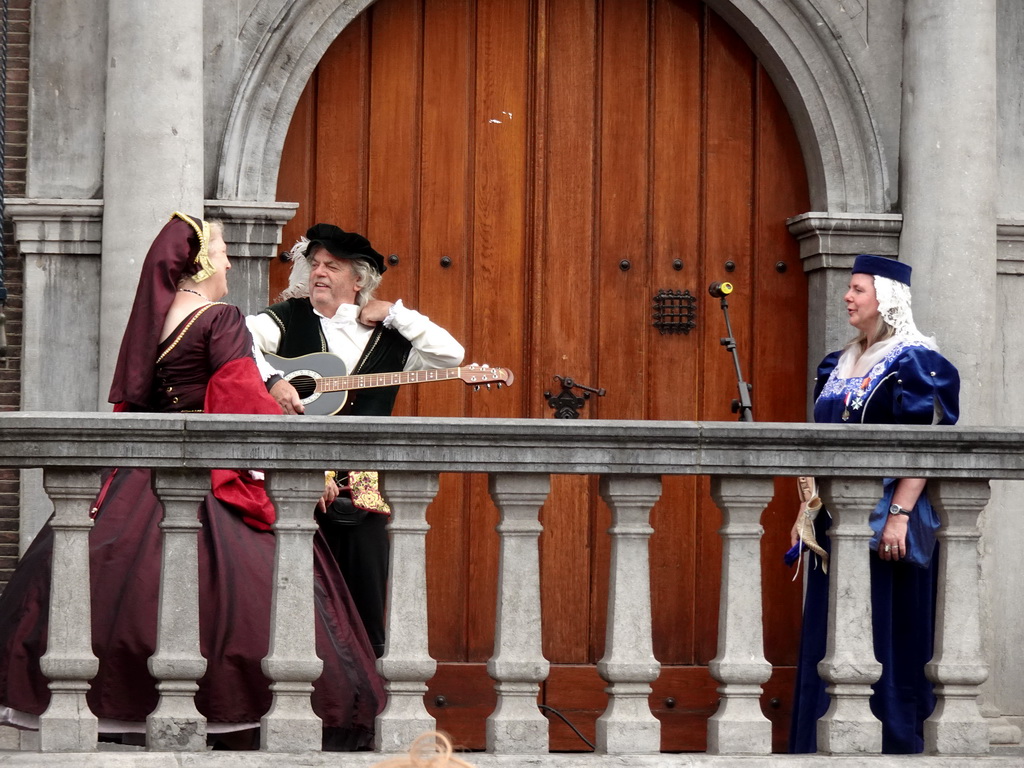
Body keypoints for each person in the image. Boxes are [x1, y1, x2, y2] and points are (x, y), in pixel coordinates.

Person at [0, 212, 384, 749]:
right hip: (206, 483)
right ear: (201, 262)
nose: (228, 262)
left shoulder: (153, 321)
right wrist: (292, 461)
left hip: (135, 481)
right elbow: (240, 407)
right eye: (223, 252)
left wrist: (270, 378)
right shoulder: (219, 318)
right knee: (248, 604)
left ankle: (129, 710)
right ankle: (231, 713)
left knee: (118, 594)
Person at [247, 223, 464, 658]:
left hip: (361, 486)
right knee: (291, 599)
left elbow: (451, 355)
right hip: (294, 479)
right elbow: (236, 345)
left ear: (358, 280)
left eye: (333, 266)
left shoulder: (392, 339)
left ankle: (364, 701)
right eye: (316, 265)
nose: (319, 273)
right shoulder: (283, 320)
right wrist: (271, 380)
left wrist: (395, 314)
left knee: (366, 597)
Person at [788, 253, 960, 754]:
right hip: (833, 519)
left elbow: (926, 447)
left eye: (858, 289)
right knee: (830, 632)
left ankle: (891, 742)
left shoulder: (915, 361)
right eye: (849, 288)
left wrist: (899, 516)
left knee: (886, 627)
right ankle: (819, 742)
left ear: (884, 298)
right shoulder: (837, 363)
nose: (847, 296)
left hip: (885, 521)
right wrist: (805, 515)